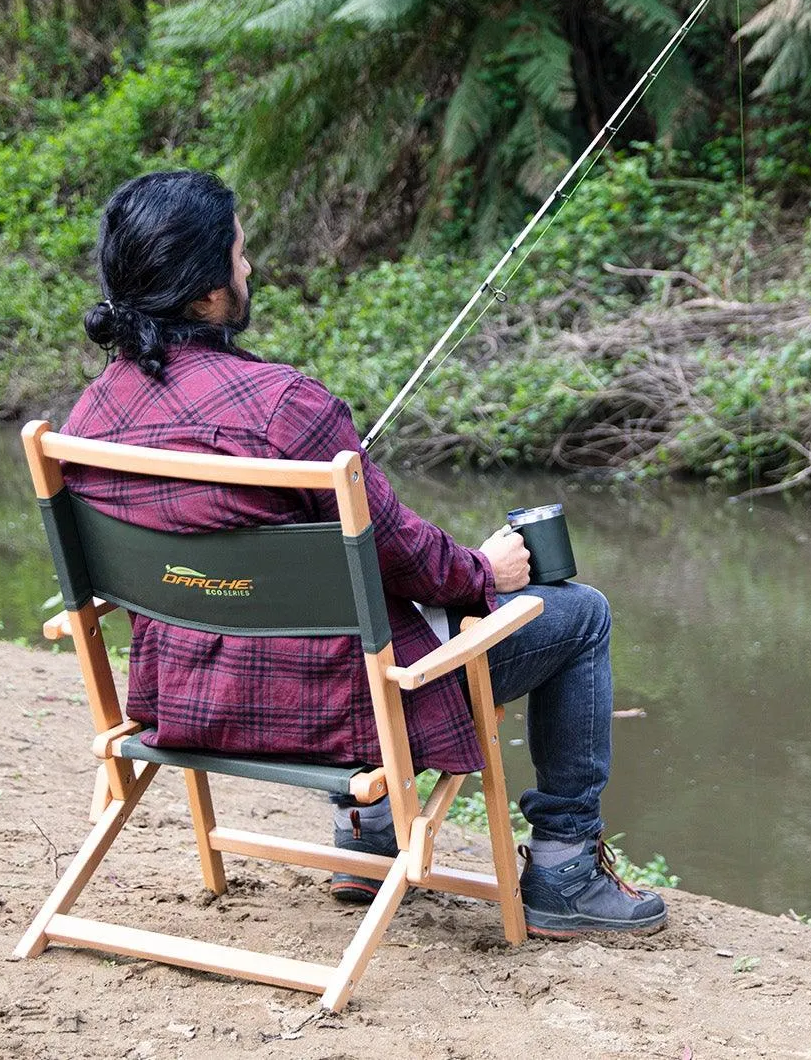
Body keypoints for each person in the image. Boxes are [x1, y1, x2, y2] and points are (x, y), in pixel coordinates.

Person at [60, 169, 665, 938]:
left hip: (175, 705)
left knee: (319, 615)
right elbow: (410, 559)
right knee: (578, 615)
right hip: (325, 721)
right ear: (207, 292)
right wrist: (487, 572)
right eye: (241, 256)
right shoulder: (286, 407)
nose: (250, 270)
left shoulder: (87, 417)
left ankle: (370, 833)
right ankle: (563, 870)